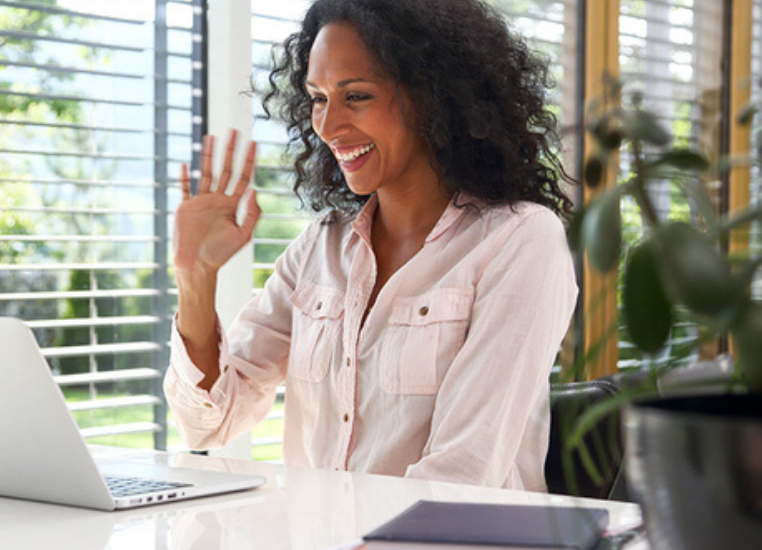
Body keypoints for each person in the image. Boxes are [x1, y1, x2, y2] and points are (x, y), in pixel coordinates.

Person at [164, 0, 578, 492]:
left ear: (434, 96)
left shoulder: (520, 240)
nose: (327, 125)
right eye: (318, 98)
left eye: (356, 96)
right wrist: (195, 279)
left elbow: (463, 472)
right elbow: (208, 423)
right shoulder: (320, 248)